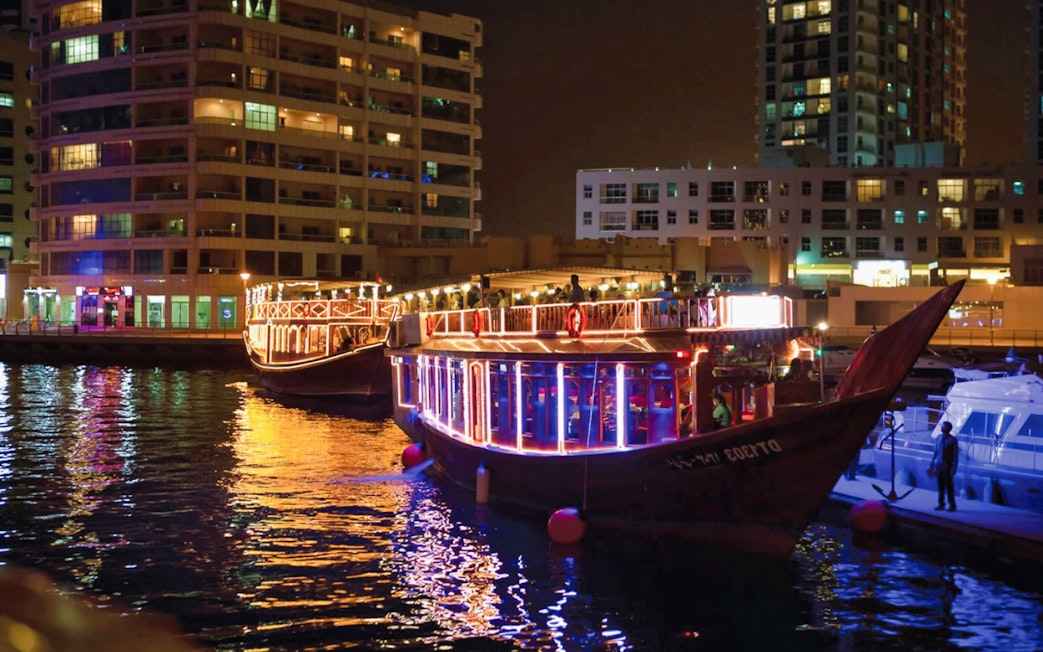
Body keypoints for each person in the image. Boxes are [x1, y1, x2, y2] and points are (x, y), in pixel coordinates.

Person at [929, 421, 959, 511]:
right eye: (942, 426)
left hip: (947, 464)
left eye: (943, 427)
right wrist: (932, 462)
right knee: (940, 485)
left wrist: (954, 467)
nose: (942, 428)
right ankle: (941, 503)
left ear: (948, 429)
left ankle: (952, 505)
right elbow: (935, 451)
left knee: (949, 485)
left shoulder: (953, 440)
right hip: (939, 464)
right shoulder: (938, 438)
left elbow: (955, 455)